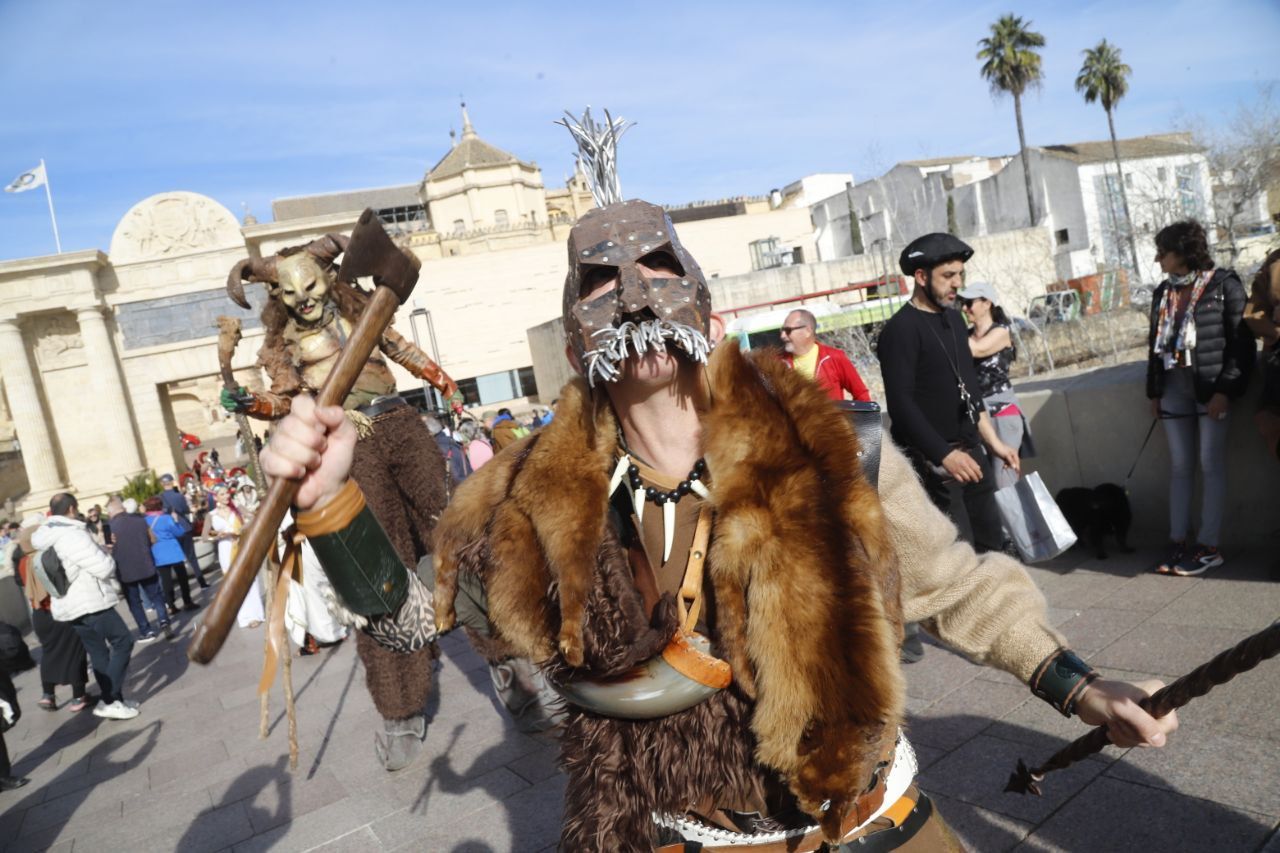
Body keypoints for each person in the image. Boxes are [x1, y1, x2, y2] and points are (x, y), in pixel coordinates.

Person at [261, 191, 1177, 850]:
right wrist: (331, 503)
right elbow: (413, 622)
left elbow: (954, 586)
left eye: (658, 265)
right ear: (576, 335)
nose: (632, 290)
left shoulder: (832, 445)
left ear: (700, 296)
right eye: (600, 280)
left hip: (875, 819)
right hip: (698, 839)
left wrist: (1079, 686)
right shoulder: (536, 501)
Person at [219, 229, 457, 771]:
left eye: (310, 285)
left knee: (455, 529)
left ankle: (504, 657)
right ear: (277, 300)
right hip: (350, 445)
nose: (304, 299)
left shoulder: (361, 316)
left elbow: (400, 348)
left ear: (329, 279)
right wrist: (250, 401)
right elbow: (283, 401)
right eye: (290, 293)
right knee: (379, 568)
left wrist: (440, 378)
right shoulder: (281, 349)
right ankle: (401, 708)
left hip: (401, 423)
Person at [878, 233, 1021, 552]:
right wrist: (944, 455)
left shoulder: (955, 321)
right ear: (920, 276)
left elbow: (970, 391)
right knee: (958, 558)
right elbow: (901, 406)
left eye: (960, 274)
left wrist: (995, 444)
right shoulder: (899, 331)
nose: (957, 283)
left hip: (972, 455)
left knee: (993, 550)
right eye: (948, 276)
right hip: (935, 465)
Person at [1146, 220, 1251, 577]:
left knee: (1210, 463)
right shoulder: (1163, 292)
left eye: (1164, 252)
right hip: (1174, 385)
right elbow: (1153, 347)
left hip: (1211, 389)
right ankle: (1178, 540)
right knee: (1180, 465)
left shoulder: (1224, 285)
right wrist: (1155, 391)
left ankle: (1208, 546)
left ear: (1183, 253)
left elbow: (1241, 344)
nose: (1158, 258)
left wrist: (1225, 390)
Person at [31, 493, 138, 720]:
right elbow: (103, 568)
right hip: (90, 601)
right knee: (123, 642)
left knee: (99, 653)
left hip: (70, 605)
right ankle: (109, 699)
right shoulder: (71, 535)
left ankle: (114, 700)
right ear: (71, 509)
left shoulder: (47, 534)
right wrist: (107, 554)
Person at [960, 281, 1035, 489]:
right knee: (986, 485)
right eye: (962, 303)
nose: (964, 308)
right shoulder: (965, 336)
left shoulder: (1001, 332)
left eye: (968, 303)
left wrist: (949, 326)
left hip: (1002, 409)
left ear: (987, 303)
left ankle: (1017, 522)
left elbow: (977, 350)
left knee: (1005, 483)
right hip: (978, 413)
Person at [12, 514, 91, 711]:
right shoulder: (47, 556)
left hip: (39, 614)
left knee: (49, 653)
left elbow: (19, 582)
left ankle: (48, 695)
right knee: (75, 651)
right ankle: (78, 697)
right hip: (60, 609)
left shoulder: (22, 561)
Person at [106, 497, 173, 642]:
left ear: (111, 512)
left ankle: (146, 631)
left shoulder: (110, 527)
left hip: (125, 571)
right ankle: (164, 621)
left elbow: (108, 549)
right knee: (156, 596)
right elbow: (153, 539)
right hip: (146, 564)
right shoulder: (140, 520)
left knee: (135, 603)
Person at [780, 308, 872, 401]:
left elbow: (861, 395)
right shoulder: (778, 363)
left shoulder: (835, 357)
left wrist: (849, 415)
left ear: (807, 331)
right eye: (782, 330)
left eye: (788, 330)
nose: (782, 335)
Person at [206, 485, 263, 628]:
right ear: (215, 497)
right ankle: (245, 616)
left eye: (227, 493)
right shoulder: (211, 515)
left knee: (250, 579)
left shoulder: (237, 508)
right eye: (222, 494)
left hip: (242, 546)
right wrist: (218, 536)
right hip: (225, 550)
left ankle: (256, 614)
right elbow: (205, 537)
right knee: (234, 583)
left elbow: (253, 518)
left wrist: (240, 530)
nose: (226, 496)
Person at [1242, 248, 1280, 462]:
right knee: (1266, 420)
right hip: (1276, 359)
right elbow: (1253, 312)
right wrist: (1275, 331)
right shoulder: (1275, 261)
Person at [143, 496, 200, 612]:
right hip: (173, 551)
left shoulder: (145, 521)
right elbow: (179, 532)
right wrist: (176, 520)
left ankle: (170, 605)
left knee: (166, 581)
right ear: (159, 506)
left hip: (157, 552)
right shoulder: (167, 518)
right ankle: (187, 602)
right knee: (182, 578)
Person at [159, 473, 210, 590]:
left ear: (162, 484)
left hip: (170, 530)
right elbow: (186, 510)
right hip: (184, 527)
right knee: (192, 557)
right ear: (172, 482)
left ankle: (182, 588)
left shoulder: (160, 497)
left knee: (177, 560)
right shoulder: (178, 496)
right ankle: (201, 582)